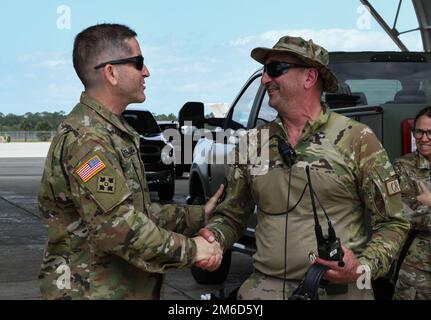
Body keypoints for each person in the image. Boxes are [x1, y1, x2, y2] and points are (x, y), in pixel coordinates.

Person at [199, 35, 410, 299]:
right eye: (264, 71)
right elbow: (232, 215)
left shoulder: (357, 139)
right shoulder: (253, 143)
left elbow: (393, 223)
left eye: (275, 69)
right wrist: (214, 239)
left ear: (309, 78)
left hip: (340, 292)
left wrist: (362, 268)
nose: (265, 79)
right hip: (265, 290)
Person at [38, 23, 224, 300]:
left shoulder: (111, 132)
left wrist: (197, 216)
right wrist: (194, 250)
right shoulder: (87, 141)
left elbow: (137, 212)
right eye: (138, 63)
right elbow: (120, 228)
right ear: (111, 72)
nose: (146, 72)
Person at [392, 106, 431, 299]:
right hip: (417, 270)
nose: (423, 138)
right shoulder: (403, 167)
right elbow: (403, 214)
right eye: (419, 132)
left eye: (430, 132)